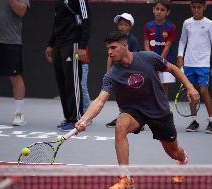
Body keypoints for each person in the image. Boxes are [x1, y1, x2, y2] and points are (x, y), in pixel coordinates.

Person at [75, 31, 200, 189]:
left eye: (113, 48)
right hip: (134, 111)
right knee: (120, 126)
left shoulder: (148, 58)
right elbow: (100, 100)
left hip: (158, 110)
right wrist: (84, 120)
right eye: (108, 49)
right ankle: (125, 178)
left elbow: (173, 69)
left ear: (125, 45)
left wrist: (190, 87)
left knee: (173, 151)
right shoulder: (112, 74)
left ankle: (183, 159)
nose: (110, 52)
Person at [45, 0, 91, 131]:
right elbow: (56, 23)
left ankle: (76, 119)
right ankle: (68, 118)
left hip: (73, 44)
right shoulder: (58, 2)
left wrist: (82, 46)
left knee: (73, 82)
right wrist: (50, 43)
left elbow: (87, 21)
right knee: (62, 83)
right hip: (59, 45)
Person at [176, 0, 212, 134]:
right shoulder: (187, 23)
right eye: (194, 7)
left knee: (204, 91)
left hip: (203, 64)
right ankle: (194, 121)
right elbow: (182, 40)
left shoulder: (209, 23)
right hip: (188, 64)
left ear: (204, 7)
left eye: (199, 7)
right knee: (192, 92)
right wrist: (180, 56)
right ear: (191, 7)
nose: (196, 10)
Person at [105, 13, 139, 128]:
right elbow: (110, 56)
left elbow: (134, 57)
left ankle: (137, 120)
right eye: (120, 24)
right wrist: (108, 72)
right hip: (116, 72)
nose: (122, 27)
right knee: (119, 96)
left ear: (130, 27)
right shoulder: (114, 39)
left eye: (125, 24)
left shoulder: (133, 40)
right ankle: (122, 116)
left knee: (131, 96)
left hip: (129, 73)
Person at [144, 0, 177, 94]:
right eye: (157, 9)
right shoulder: (147, 26)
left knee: (164, 86)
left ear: (167, 12)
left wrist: (159, 61)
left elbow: (167, 47)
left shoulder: (171, 27)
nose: (159, 11)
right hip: (151, 61)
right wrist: (152, 60)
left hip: (165, 61)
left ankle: (164, 107)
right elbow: (146, 45)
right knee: (151, 85)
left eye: (162, 10)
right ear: (153, 10)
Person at [81, 48, 91, 114]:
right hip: (72, 65)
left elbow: (80, 56)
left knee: (82, 87)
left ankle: (87, 112)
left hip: (82, 65)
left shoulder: (82, 43)